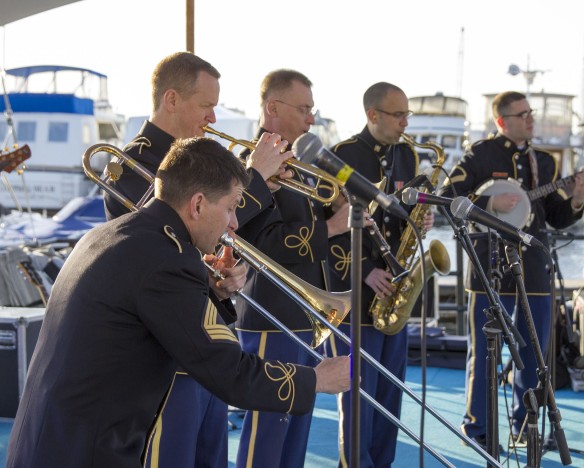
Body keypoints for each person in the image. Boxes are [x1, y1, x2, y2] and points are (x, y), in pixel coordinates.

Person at [6, 137, 351, 468]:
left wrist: (212, 294)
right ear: (198, 204)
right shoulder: (166, 261)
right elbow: (228, 373)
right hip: (88, 455)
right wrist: (316, 379)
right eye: (231, 208)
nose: (234, 223)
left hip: (49, 445)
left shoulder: (110, 234)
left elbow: (147, 319)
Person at [103, 51, 291, 468]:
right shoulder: (130, 165)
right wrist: (254, 177)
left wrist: (219, 279)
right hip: (165, 360)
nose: (213, 118)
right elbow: (156, 242)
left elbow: (193, 254)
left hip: (207, 345)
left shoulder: (199, 159)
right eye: (206, 106)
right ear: (171, 99)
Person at [439, 91, 584, 448]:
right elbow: (449, 196)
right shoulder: (480, 154)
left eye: (531, 113)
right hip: (488, 265)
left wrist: (578, 199)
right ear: (501, 120)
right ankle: (477, 429)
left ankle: (527, 428)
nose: (530, 119)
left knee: (535, 352)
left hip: (534, 269)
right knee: (485, 352)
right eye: (522, 114)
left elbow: (556, 217)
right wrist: (489, 202)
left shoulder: (545, 162)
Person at [233, 69, 351, 468]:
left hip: (301, 312)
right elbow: (260, 242)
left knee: (296, 420)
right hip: (269, 313)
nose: (311, 119)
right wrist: (332, 227)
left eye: (311, 110)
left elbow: (303, 235)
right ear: (272, 108)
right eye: (303, 109)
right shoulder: (246, 166)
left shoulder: (295, 163)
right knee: (268, 425)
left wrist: (336, 213)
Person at [325, 82, 435, 467]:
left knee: (390, 394)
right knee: (359, 397)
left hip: (395, 290)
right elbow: (328, 227)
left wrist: (419, 223)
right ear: (373, 115)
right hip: (357, 294)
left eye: (407, 114)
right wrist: (365, 270)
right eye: (398, 114)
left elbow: (400, 216)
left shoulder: (408, 156)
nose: (406, 122)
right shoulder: (341, 156)